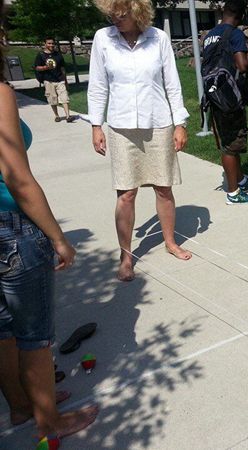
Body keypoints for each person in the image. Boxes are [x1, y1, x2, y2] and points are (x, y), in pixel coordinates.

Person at [0, 0, 99, 442]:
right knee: (33, 334)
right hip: (9, 227)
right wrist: (57, 237)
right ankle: (49, 420)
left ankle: (23, 406)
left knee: (2, 328)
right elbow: (18, 180)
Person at [88, 0, 193, 282]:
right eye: (112, 15)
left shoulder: (158, 38)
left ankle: (170, 242)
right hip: (121, 127)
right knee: (126, 194)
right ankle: (126, 256)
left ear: (137, 12)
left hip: (158, 122)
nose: (115, 20)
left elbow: (172, 84)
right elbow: (98, 85)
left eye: (121, 15)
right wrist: (96, 125)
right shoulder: (103, 39)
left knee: (163, 188)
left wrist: (180, 123)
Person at [203, 0, 248, 205]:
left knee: (230, 141)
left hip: (215, 96)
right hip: (230, 97)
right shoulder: (235, 34)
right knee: (231, 145)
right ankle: (234, 193)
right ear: (241, 15)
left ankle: (241, 179)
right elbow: (241, 65)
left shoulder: (210, 35)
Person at [33, 38, 74, 123]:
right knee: (52, 99)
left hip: (60, 79)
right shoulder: (41, 55)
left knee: (65, 98)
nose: (51, 45)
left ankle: (68, 116)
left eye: (52, 43)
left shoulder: (58, 54)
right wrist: (45, 67)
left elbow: (62, 68)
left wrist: (65, 80)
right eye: (49, 43)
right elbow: (37, 67)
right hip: (48, 81)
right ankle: (57, 116)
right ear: (45, 44)